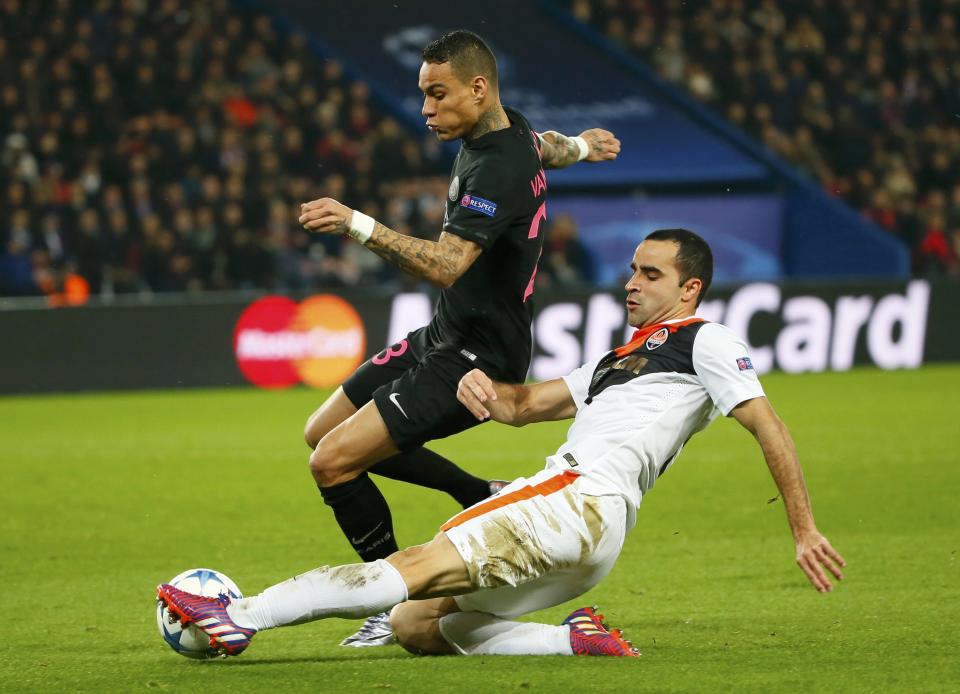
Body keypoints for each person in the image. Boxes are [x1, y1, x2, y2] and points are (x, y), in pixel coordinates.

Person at [157, 228, 846, 659]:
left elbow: (767, 423)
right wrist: (487, 394)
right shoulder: (619, 359)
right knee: (416, 625)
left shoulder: (706, 339)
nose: (632, 282)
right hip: (592, 541)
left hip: (575, 501)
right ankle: (570, 642)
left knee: (417, 565)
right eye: (633, 269)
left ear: (690, 287)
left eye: (651, 274)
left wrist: (804, 527)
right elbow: (527, 405)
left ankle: (236, 616)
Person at [295, 30, 620, 646]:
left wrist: (355, 222)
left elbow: (446, 265)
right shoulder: (510, 132)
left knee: (332, 463)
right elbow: (545, 146)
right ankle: (474, 491)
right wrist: (581, 144)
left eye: (437, 95)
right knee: (320, 431)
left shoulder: (496, 165)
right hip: (443, 333)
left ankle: (388, 599)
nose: (425, 110)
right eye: (423, 95)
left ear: (478, 88)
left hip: (478, 356)